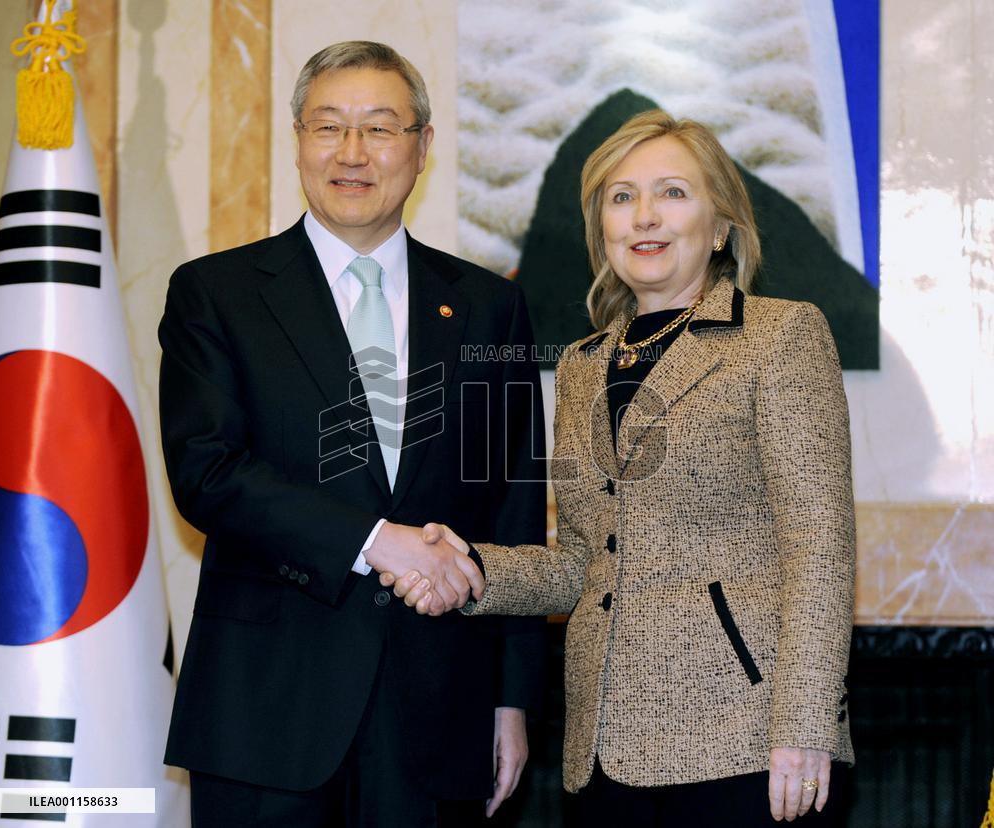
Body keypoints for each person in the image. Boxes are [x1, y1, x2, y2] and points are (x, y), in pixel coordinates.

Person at [386, 109, 856, 826]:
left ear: (721, 226)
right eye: (622, 196)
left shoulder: (781, 335)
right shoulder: (582, 365)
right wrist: (468, 567)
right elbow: (585, 562)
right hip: (603, 748)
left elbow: (820, 547)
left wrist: (805, 726)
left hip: (750, 742)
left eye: (673, 192)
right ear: (601, 228)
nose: (645, 216)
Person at [158, 41, 546, 827]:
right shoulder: (216, 293)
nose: (352, 152)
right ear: (298, 140)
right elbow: (208, 471)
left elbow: (515, 507)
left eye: (380, 127)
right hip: (267, 706)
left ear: (422, 146)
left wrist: (511, 699)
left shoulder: (489, 308)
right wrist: (377, 542)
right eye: (329, 126)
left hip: (439, 706)